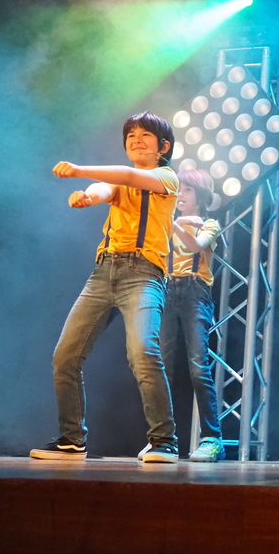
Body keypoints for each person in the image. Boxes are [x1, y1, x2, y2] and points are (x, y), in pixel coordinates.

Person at [31, 112, 180, 464]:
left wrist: (80, 170)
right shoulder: (119, 181)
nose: (136, 139)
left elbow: (127, 176)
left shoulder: (166, 177)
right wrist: (87, 195)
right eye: (131, 135)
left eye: (145, 135)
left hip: (143, 273)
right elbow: (106, 187)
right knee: (65, 356)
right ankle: (72, 439)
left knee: (143, 353)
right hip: (103, 272)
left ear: (163, 147)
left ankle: (164, 441)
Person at [153, 168, 225, 463]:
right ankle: (161, 439)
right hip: (167, 290)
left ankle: (212, 439)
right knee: (161, 366)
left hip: (196, 292)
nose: (180, 195)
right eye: (179, 190)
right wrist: (175, 222)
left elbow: (196, 245)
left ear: (202, 196)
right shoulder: (168, 222)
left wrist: (176, 224)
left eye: (188, 190)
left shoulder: (210, 224)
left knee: (198, 367)